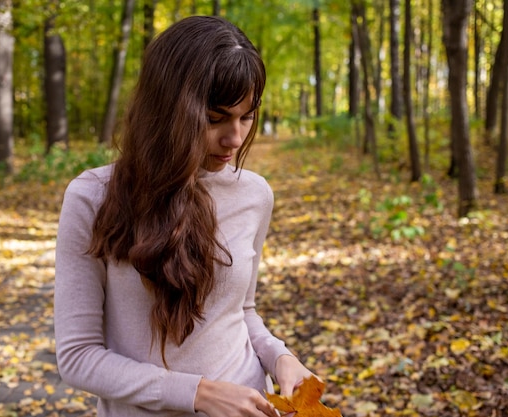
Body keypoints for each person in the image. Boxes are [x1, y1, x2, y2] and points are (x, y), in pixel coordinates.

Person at [53, 15, 313, 417]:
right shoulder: (93, 197)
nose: (236, 139)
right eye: (215, 119)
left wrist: (280, 357)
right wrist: (198, 393)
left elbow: (240, 312)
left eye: (247, 116)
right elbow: (78, 357)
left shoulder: (255, 194)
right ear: (167, 110)